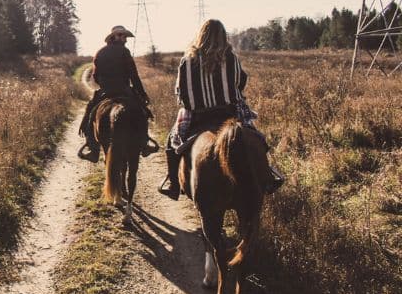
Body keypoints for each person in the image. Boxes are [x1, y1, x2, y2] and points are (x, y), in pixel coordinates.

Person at [158, 19, 283, 200]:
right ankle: (268, 175)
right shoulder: (231, 58)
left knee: (172, 142)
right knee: (257, 138)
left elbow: (181, 93)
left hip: (198, 117)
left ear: (201, 35)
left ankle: (173, 184)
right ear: (223, 37)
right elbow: (241, 82)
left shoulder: (187, 61)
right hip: (229, 114)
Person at [78, 25, 152, 163]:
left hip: (105, 91)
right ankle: (144, 143)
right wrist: (142, 94)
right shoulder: (125, 51)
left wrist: (105, 85)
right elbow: (133, 76)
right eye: (122, 36)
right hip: (124, 90)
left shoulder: (100, 52)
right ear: (114, 37)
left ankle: (93, 150)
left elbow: (95, 76)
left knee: (90, 114)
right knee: (143, 112)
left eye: (125, 36)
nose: (124, 39)